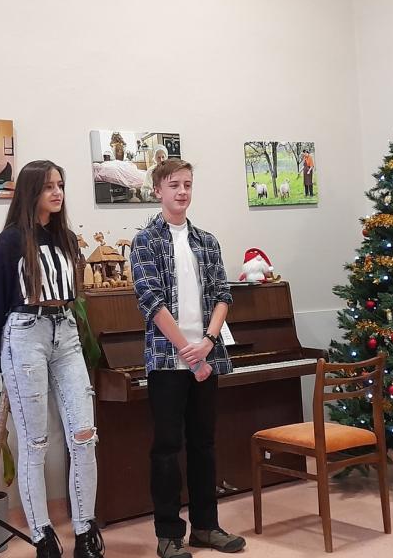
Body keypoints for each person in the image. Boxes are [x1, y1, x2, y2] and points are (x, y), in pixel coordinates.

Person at [0, 160, 105, 558]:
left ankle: (85, 530)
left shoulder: (65, 237)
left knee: (84, 435)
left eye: (61, 185)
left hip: (64, 332)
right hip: (25, 334)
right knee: (35, 443)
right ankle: (42, 535)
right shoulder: (10, 241)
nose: (57, 193)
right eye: (49, 186)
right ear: (31, 191)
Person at [130, 160, 246, 558]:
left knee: (204, 444)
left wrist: (208, 342)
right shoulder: (145, 240)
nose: (182, 191)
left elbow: (222, 295)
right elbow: (151, 301)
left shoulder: (206, 241)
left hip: (207, 355)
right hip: (168, 360)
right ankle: (168, 534)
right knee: (166, 447)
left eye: (188, 185)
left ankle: (206, 527)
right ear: (158, 190)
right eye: (174, 185)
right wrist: (187, 350)